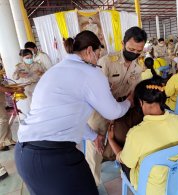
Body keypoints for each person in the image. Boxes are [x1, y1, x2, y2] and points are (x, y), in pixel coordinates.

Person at [14, 30, 132, 195]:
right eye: (98, 54)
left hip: (24, 155)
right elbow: (113, 112)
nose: (98, 58)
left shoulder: (55, 71)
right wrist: (129, 101)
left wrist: (93, 136)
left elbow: (65, 116)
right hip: (52, 157)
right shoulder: (91, 72)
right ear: (90, 51)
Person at [108, 78, 178, 195]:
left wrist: (111, 140)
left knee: (124, 161)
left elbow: (126, 161)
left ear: (140, 102)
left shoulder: (136, 133)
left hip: (151, 189)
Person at [86, 26, 147, 185]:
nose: (134, 53)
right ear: (122, 43)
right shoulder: (106, 61)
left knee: (123, 139)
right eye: (131, 48)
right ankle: (94, 181)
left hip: (124, 107)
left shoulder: (137, 66)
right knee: (95, 143)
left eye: (138, 51)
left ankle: (123, 170)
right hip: (100, 108)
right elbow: (94, 90)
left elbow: (135, 89)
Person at [12, 49, 45, 113]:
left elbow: (44, 75)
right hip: (27, 88)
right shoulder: (19, 66)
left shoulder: (37, 64)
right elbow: (14, 76)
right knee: (31, 105)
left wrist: (41, 74)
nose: (30, 59)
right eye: (27, 58)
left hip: (37, 86)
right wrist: (19, 74)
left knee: (40, 103)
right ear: (22, 58)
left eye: (31, 57)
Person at [0, 72, 24, 151]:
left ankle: (8, 140)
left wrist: (13, 88)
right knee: (3, 121)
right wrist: (16, 89)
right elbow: (1, 88)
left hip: (1, 101)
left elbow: (2, 86)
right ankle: (1, 142)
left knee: (5, 120)